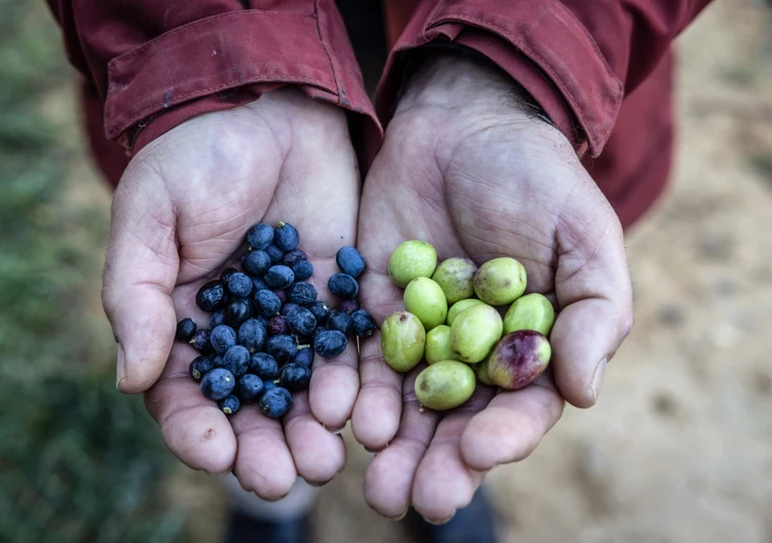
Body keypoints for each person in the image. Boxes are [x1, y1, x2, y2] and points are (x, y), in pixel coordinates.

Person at [46, 1, 714, 541]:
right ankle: (273, 509)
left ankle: (444, 496)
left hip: (504, 61)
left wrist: (519, 63)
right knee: (256, 389)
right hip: (226, 72)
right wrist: (203, 61)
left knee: (440, 416)